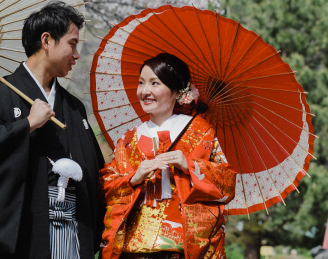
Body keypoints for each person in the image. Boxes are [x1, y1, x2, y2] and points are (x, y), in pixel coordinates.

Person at [0, 1, 105, 259]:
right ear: (46, 40)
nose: (76, 54)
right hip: (28, 226)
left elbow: (96, 171)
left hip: (73, 227)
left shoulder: (73, 107)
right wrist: (25, 125)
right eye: (72, 44)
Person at [99, 53, 237, 259]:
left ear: (176, 91)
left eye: (155, 83)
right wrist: (133, 178)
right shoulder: (129, 138)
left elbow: (226, 184)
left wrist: (189, 165)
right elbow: (107, 186)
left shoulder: (200, 132)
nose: (145, 91)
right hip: (132, 249)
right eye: (141, 83)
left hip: (181, 249)